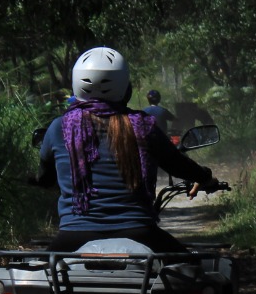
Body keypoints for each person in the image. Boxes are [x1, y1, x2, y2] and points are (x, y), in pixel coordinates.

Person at [35, 47, 220, 253]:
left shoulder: (59, 127)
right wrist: (205, 178)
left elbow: (45, 178)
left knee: (43, 279)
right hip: (140, 233)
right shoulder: (144, 126)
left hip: (73, 236)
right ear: (126, 88)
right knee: (193, 275)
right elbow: (178, 165)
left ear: (77, 85)